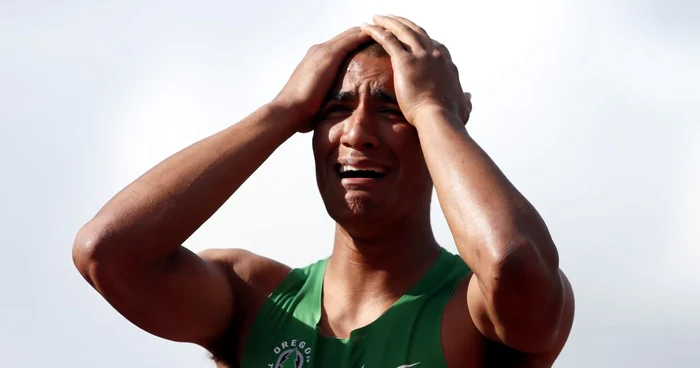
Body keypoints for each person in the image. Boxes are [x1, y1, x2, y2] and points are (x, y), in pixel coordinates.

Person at [72, 15, 574, 368]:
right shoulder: (256, 301)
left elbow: (515, 263)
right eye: (335, 109)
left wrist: (436, 113)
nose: (357, 133)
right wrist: (283, 109)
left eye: (392, 108)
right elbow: (108, 252)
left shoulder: (470, 308)